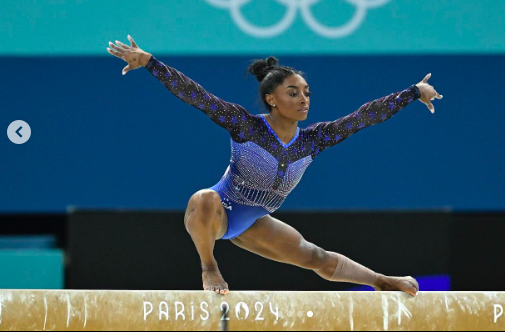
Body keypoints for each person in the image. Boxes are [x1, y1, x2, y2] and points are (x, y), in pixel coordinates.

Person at [107, 35, 443, 297]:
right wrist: (150, 62)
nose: (304, 99)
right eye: (293, 93)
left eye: (307, 93)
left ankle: (380, 281)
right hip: (220, 211)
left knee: (317, 258)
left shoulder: (314, 140)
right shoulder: (246, 126)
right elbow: (196, 95)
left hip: (253, 221)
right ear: (271, 98)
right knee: (203, 198)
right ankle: (209, 266)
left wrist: (413, 92)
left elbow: (364, 117)